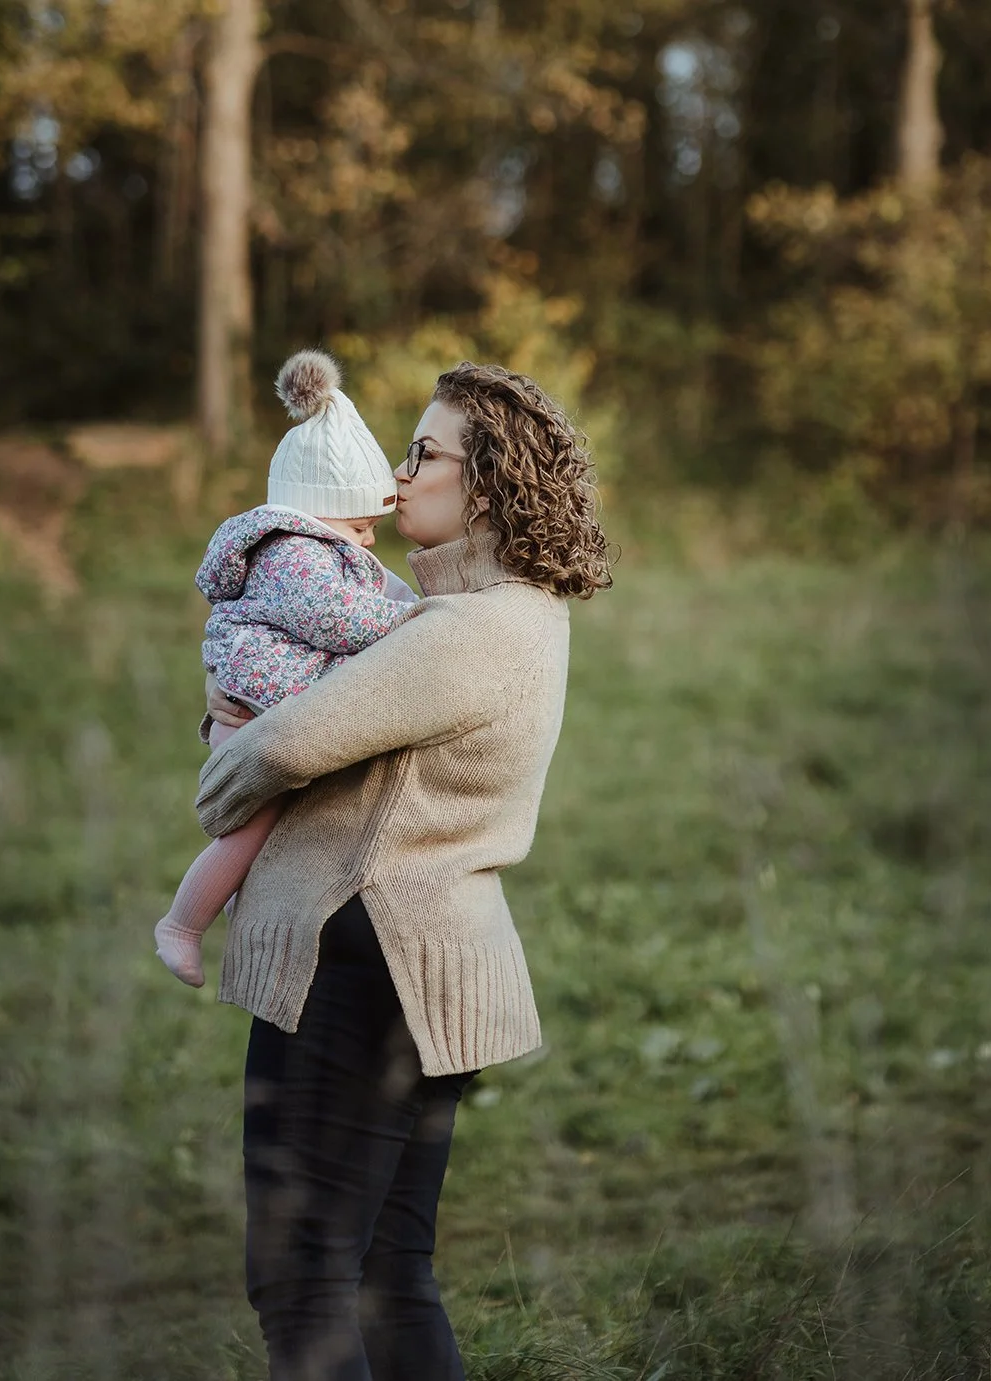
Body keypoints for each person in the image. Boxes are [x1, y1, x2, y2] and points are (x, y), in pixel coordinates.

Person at [195, 361, 612, 1381]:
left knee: (301, 1274)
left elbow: (284, 749)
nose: (394, 474)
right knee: (385, 1270)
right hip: (409, 968)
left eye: (421, 453)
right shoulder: (496, 617)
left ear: (484, 484)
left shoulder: (467, 633)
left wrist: (220, 748)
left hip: (365, 965)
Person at [154, 350, 418, 988]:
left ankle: (230, 912)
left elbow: (370, 594)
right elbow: (341, 620)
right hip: (251, 718)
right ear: (319, 516)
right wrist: (415, 622)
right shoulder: (296, 558)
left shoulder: (310, 547)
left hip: (260, 703)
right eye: (361, 527)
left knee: (267, 833)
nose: (370, 541)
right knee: (251, 833)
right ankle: (183, 926)